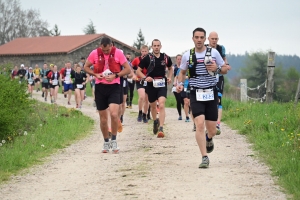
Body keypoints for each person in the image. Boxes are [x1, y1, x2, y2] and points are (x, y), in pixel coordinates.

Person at [176, 27, 228, 168]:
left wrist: (216, 69)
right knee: (199, 124)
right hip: (196, 93)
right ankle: (204, 157)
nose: (199, 40)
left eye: (201, 37)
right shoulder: (188, 55)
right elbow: (182, 72)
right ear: (193, 38)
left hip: (211, 93)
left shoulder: (214, 53)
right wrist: (180, 84)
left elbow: (225, 69)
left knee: (212, 130)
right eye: (196, 37)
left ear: (205, 39)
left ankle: (209, 138)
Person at [84, 37, 131, 153]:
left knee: (114, 114)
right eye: (103, 50)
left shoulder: (118, 53)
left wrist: (116, 75)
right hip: (100, 87)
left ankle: (114, 140)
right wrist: (95, 74)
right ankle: (106, 142)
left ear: (111, 45)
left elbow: (128, 69)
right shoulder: (94, 53)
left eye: (107, 50)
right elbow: (86, 67)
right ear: (101, 46)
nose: (105, 52)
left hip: (114, 86)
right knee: (103, 119)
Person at [136, 39, 173, 138]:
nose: (156, 47)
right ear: (152, 47)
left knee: (161, 104)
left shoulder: (165, 57)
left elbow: (170, 68)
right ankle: (155, 121)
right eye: (154, 46)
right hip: (151, 85)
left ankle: (161, 128)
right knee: (152, 106)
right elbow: (138, 71)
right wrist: (144, 77)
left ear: (161, 46)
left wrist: (169, 77)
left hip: (162, 84)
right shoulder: (147, 58)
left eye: (158, 45)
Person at [207, 31, 231, 135]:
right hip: (208, 77)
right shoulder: (204, 49)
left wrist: (226, 65)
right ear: (208, 39)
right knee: (209, 100)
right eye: (212, 39)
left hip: (219, 76)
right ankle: (208, 123)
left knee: (219, 100)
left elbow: (224, 59)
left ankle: (217, 124)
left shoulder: (221, 48)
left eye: (216, 39)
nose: (214, 41)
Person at [132, 45, 150, 123]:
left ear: (148, 52)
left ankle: (144, 114)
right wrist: (133, 75)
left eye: (146, 51)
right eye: (143, 51)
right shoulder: (136, 60)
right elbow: (130, 68)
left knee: (147, 99)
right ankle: (139, 112)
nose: (144, 53)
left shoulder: (151, 59)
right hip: (139, 80)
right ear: (141, 52)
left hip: (148, 80)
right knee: (142, 96)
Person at [172, 54, 184, 120]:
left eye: (180, 59)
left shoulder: (184, 67)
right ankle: (180, 115)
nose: (179, 60)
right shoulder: (174, 67)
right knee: (178, 100)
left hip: (183, 85)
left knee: (183, 100)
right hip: (176, 85)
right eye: (178, 59)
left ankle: (188, 112)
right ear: (176, 60)